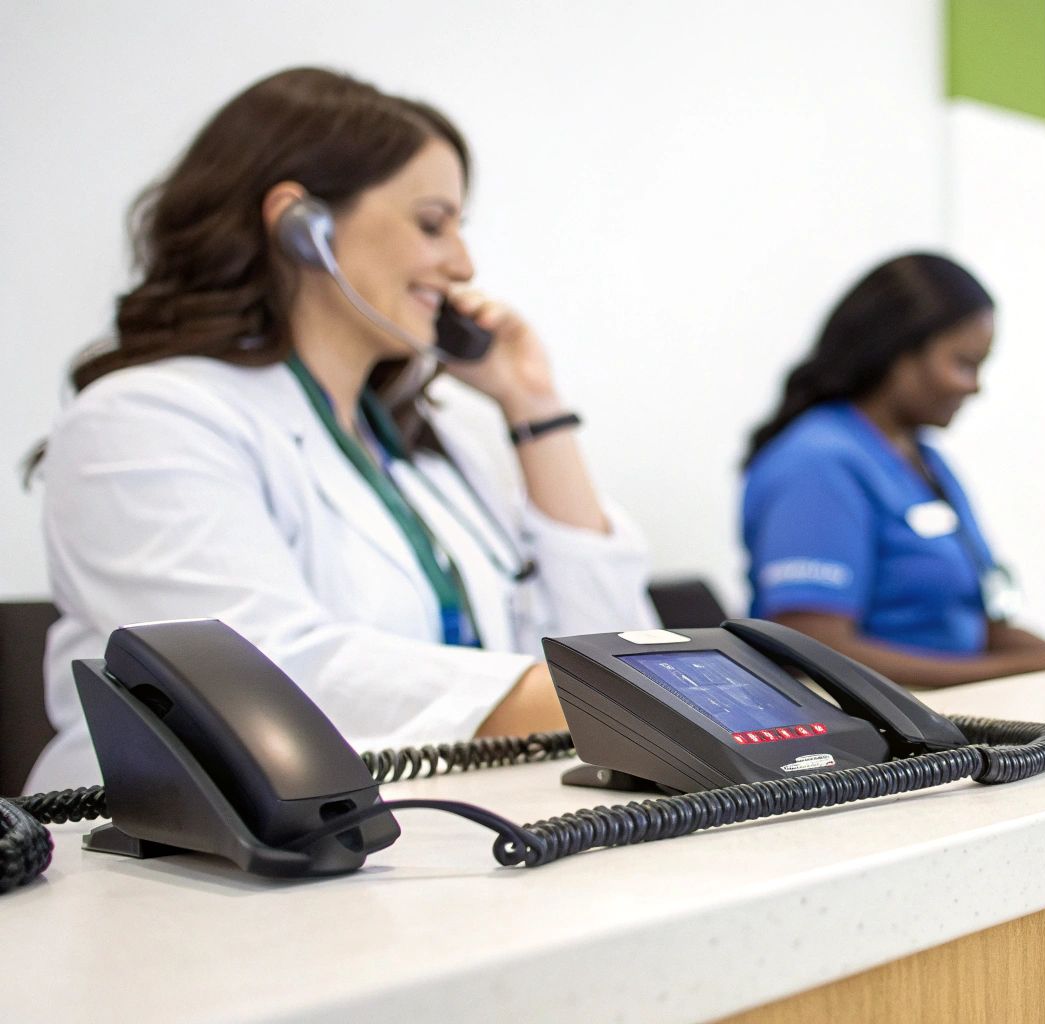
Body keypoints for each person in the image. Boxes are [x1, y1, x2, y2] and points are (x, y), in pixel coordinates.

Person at [25, 68, 657, 792]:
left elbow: (605, 642)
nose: (463, 264)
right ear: (301, 227)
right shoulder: (144, 421)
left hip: (446, 833)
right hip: (185, 875)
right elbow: (264, 677)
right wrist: (623, 704)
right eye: (431, 223)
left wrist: (532, 403)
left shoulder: (435, 450)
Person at [741, 253, 1045, 688]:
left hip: (957, 719)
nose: (975, 386)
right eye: (963, 364)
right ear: (897, 351)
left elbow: (974, 627)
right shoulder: (817, 463)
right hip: (876, 741)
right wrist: (1017, 673)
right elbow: (815, 649)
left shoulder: (924, 460)